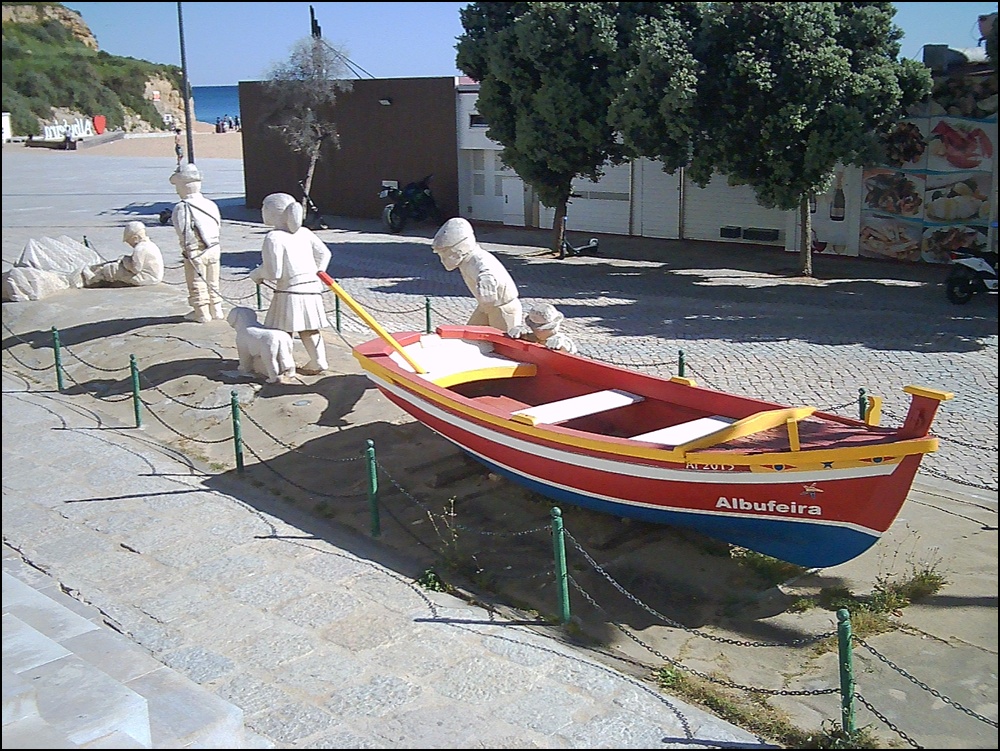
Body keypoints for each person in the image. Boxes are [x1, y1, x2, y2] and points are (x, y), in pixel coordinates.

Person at [248, 192, 332, 375]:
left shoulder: (274, 237)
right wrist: (317, 273)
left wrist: (257, 274)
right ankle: (319, 360)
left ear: (272, 211)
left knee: (281, 330)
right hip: (311, 288)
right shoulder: (305, 233)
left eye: (264, 207)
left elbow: (274, 272)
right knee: (309, 328)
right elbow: (325, 254)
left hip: (289, 291)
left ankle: (284, 365)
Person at [430, 217, 523, 332]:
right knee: (468, 335)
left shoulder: (478, 259)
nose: (442, 260)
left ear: (458, 249)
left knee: (503, 342)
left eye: (444, 254)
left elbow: (487, 274)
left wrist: (486, 283)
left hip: (502, 308)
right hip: (486, 307)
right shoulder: (466, 260)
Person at [169, 163, 225, 322]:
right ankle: (216, 309)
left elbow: (184, 232)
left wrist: (189, 250)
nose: (176, 190)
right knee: (213, 281)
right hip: (214, 248)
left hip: (196, 251)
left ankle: (202, 312)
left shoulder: (182, 207)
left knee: (197, 283)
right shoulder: (211, 204)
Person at [81, 222, 164, 288]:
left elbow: (135, 269)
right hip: (154, 277)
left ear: (135, 238)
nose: (129, 244)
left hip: (147, 278)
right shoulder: (150, 245)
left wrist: (125, 260)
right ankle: (96, 274)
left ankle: (92, 280)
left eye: (129, 241)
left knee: (113, 268)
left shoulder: (140, 249)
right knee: (118, 266)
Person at [507, 303, 578, 354]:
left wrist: (562, 345)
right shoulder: (530, 337)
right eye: (533, 327)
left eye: (543, 329)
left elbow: (569, 350)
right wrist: (518, 333)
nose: (537, 331)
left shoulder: (561, 341)